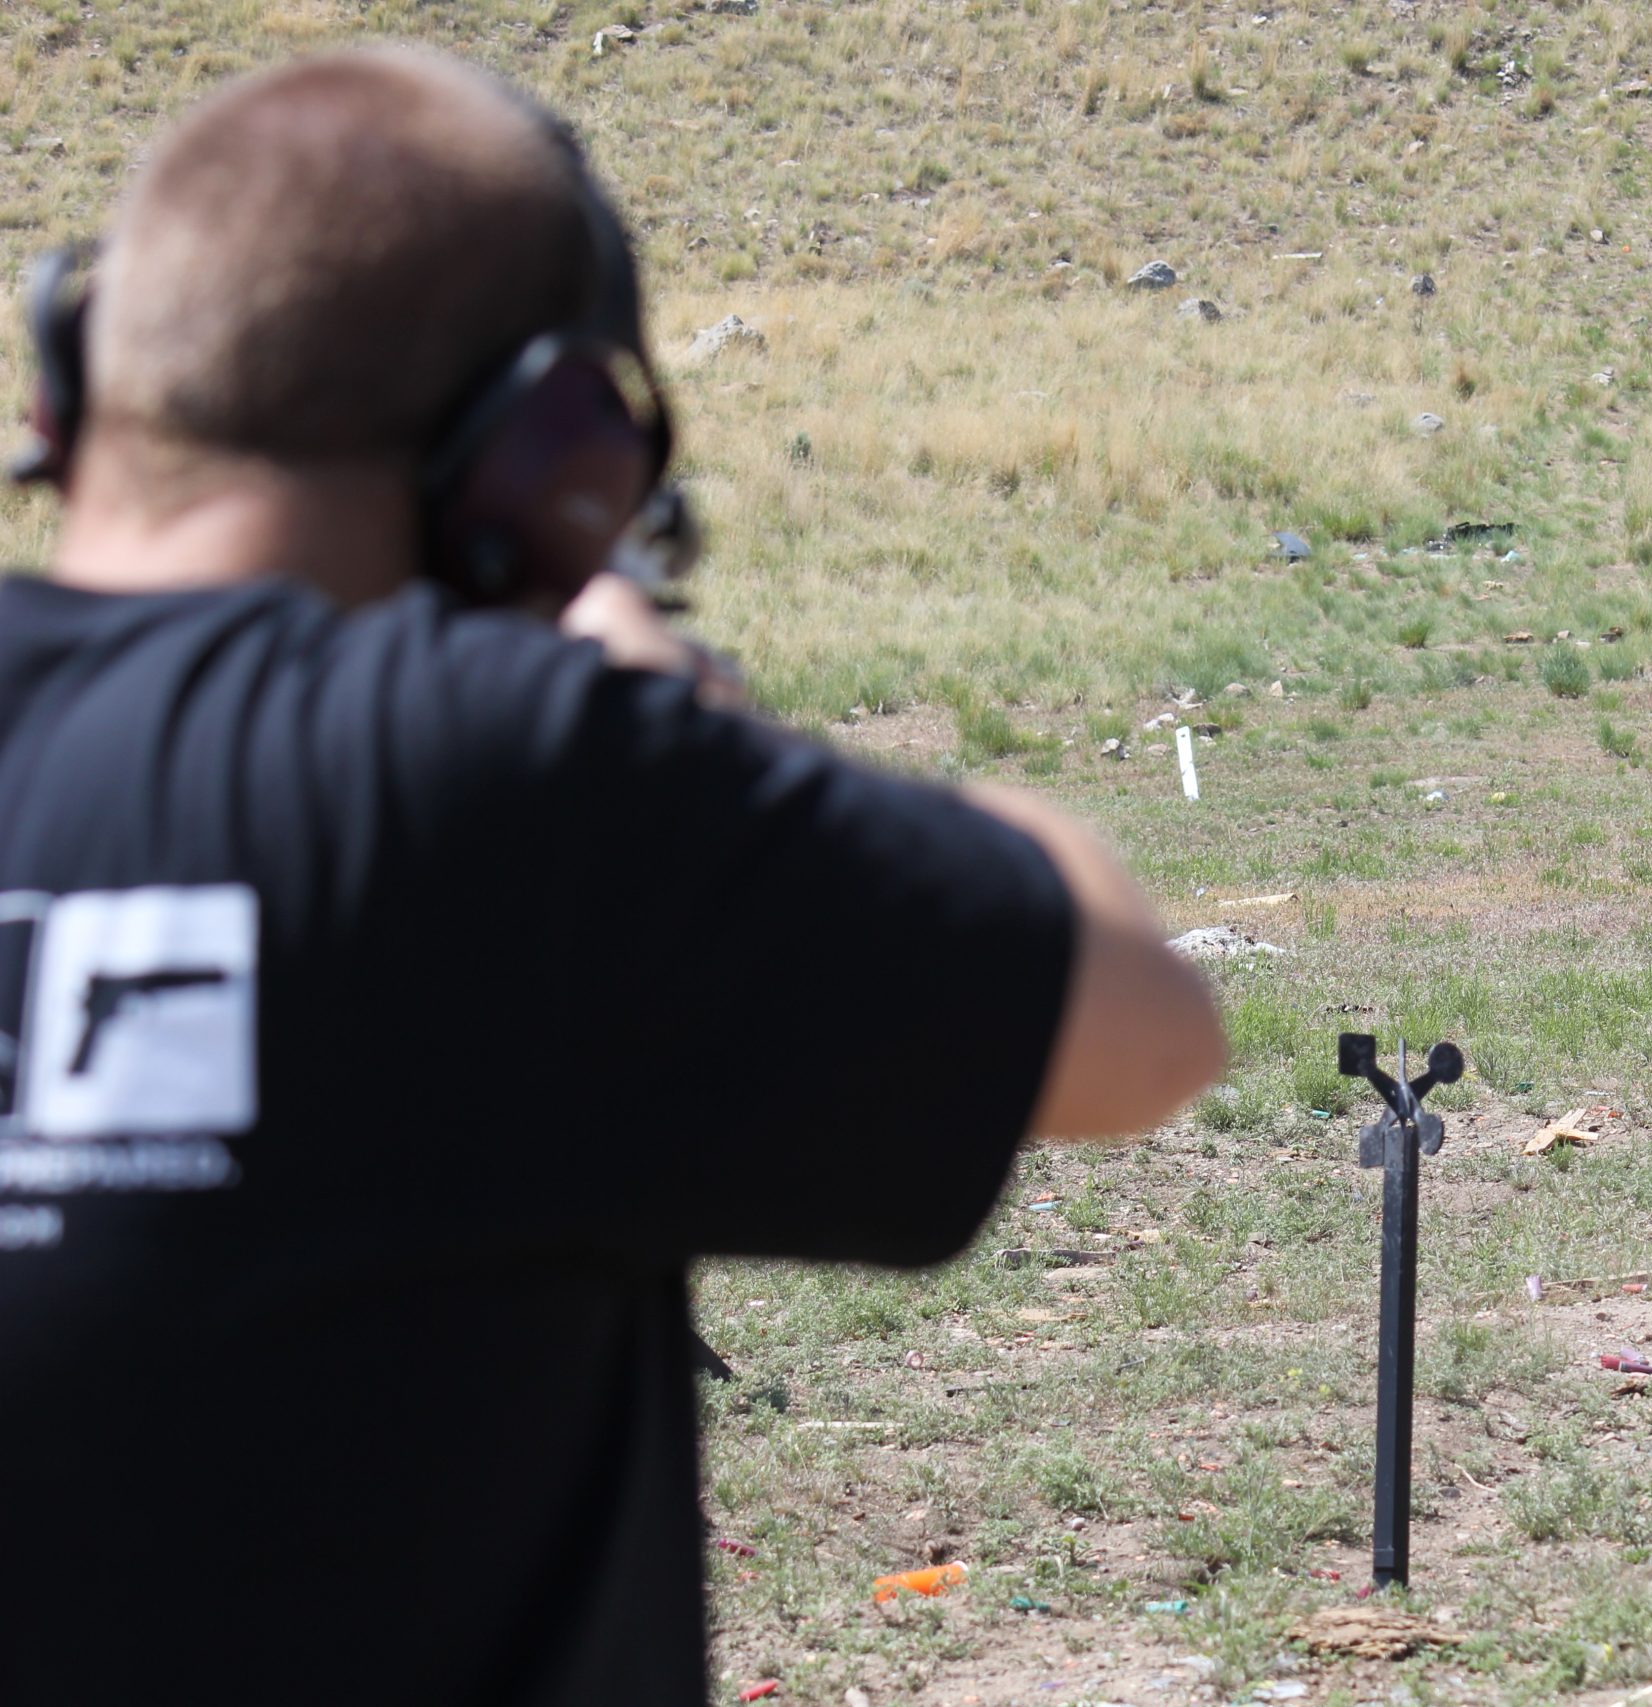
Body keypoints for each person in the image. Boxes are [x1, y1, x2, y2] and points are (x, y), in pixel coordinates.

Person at [0, 46, 1225, 1703]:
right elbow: (1137, 1030)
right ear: (545, 458)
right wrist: (653, 703)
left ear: (74, 370)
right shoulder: (501, 778)